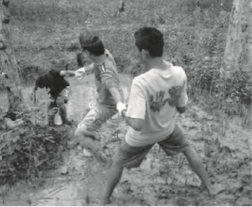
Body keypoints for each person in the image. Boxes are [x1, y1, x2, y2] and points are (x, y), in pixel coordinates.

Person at [101, 27, 214, 204]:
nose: (137, 54)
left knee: (117, 162)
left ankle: (104, 200)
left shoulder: (141, 82)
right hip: (167, 129)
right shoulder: (179, 72)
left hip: (141, 137)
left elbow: (137, 124)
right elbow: (182, 108)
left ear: (144, 53)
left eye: (137, 51)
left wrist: (122, 109)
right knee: (187, 149)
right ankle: (210, 188)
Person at [74, 31, 127, 163]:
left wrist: (120, 105)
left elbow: (113, 88)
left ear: (87, 52)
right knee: (90, 121)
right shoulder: (104, 54)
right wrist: (85, 70)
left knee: (79, 133)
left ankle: (104, 160)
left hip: (107, 106)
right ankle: (93, 137)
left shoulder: (106, 71)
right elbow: (97, 64)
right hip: (104, 100)